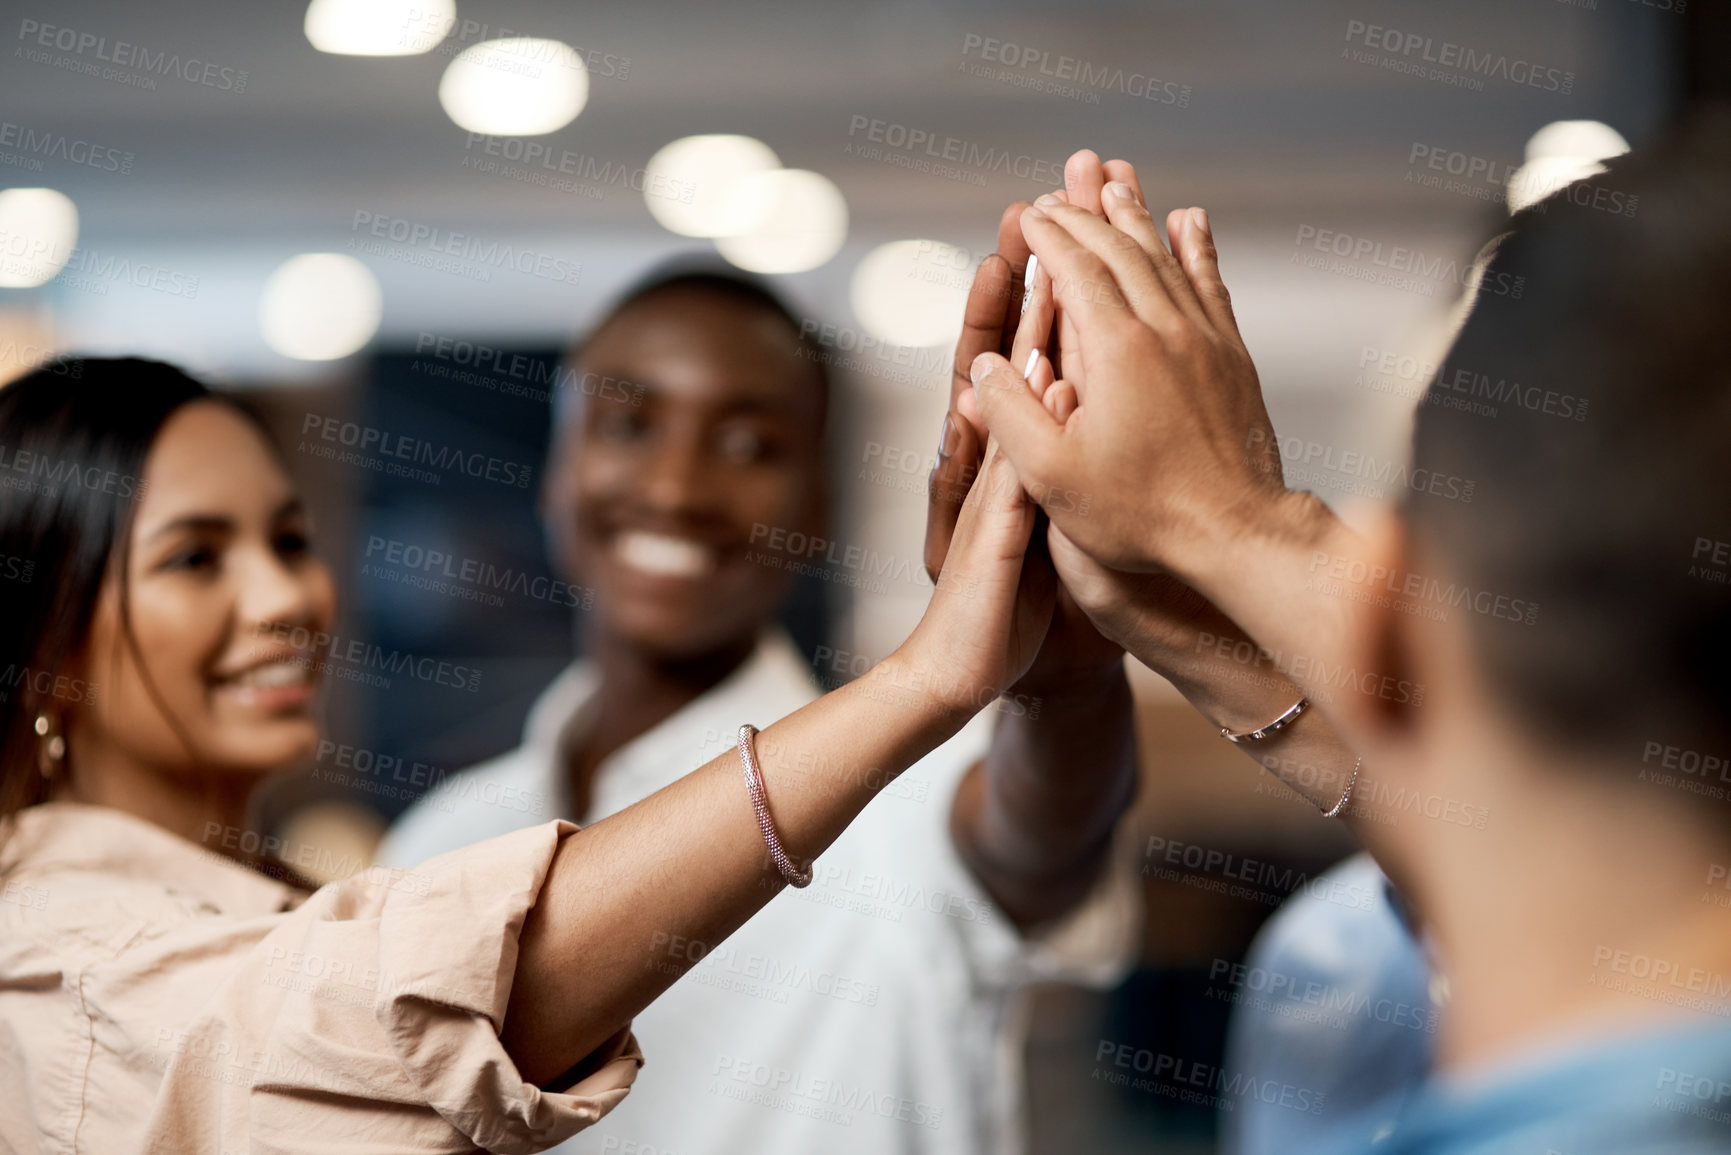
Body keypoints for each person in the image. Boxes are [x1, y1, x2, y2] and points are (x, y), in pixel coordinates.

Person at [0, 354, 1060, 1153]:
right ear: (44, 634)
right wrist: (924, 682)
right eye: (194, 558)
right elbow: (424, 1013)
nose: (285, 600)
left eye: (287, 541)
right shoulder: (50, 946)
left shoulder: (286, 891)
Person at [967, 113, 1731, 1151]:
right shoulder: (1347, 968)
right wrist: (1223, 588)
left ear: (1384, 621)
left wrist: (1243, 530)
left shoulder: (1339, 981)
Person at [378, 264, 1149, 1155]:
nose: (674, 489)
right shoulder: (442, 840)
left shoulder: (905, 790)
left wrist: (1068, 675)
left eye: (749, 445)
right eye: (628, 423)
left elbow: (1038, 836)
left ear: (815, 507)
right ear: (556, 470)